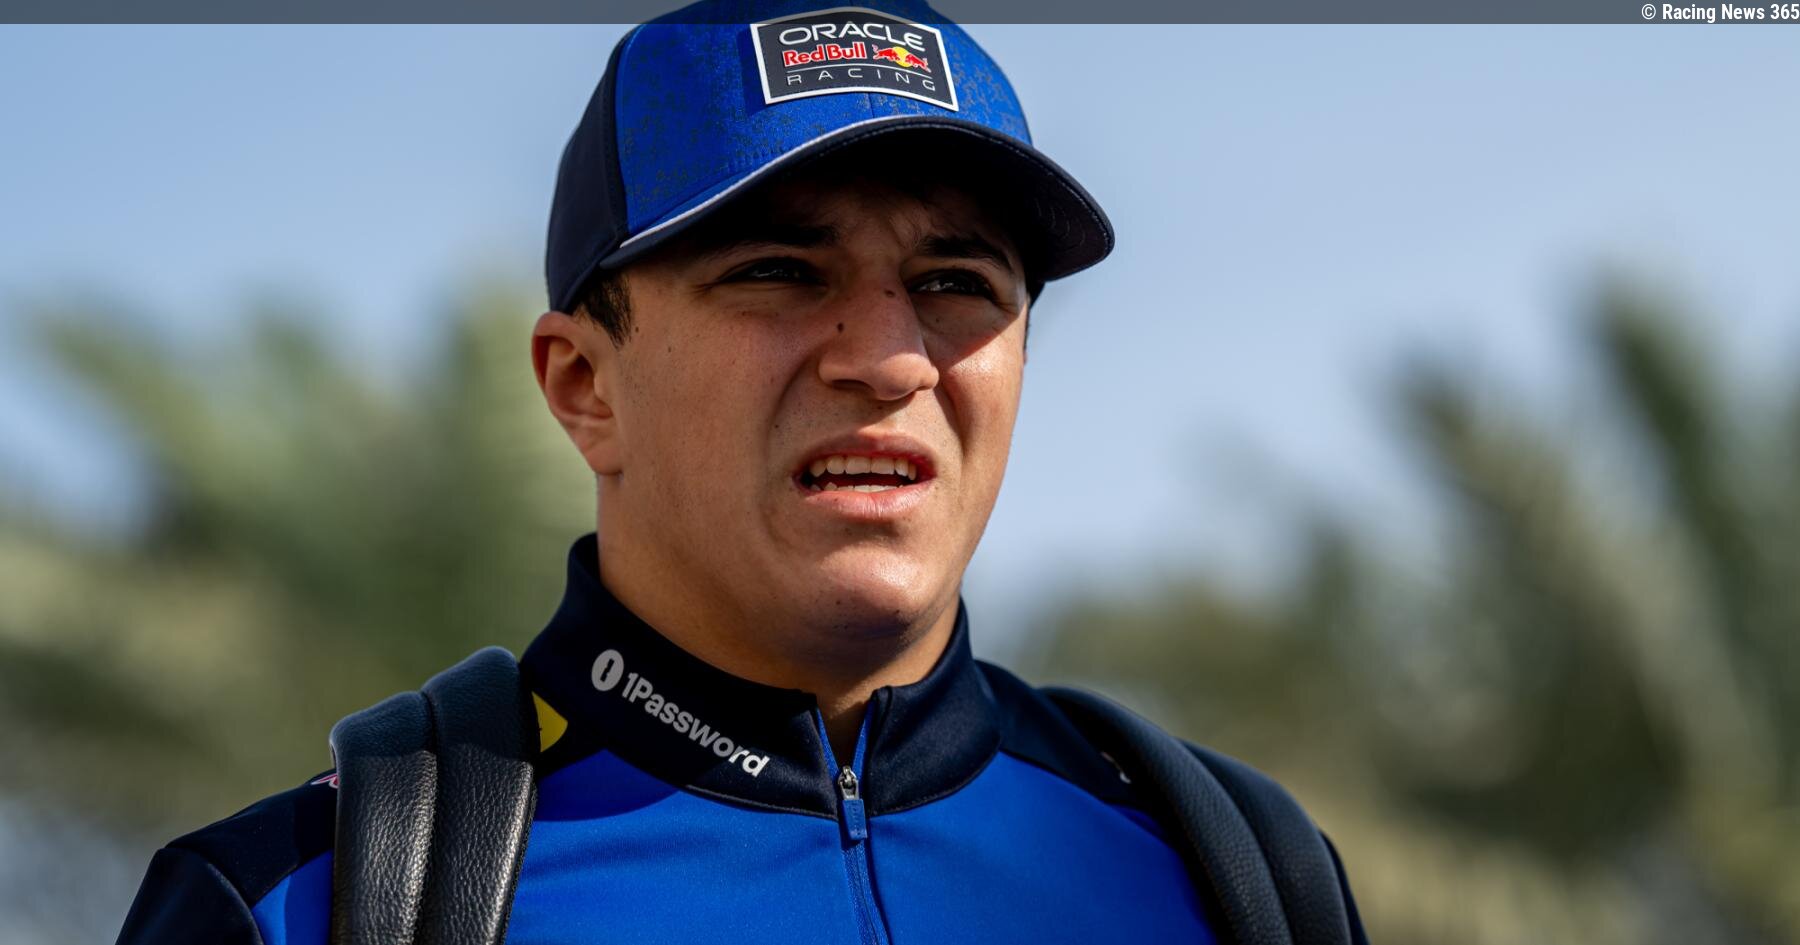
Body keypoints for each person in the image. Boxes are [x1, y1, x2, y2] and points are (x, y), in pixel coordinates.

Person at [117, 2, 1367, 943]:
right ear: (583, 385)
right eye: (777, 272)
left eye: (955, 283)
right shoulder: (301, 903)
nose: (889, 359)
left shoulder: (1235, 872)